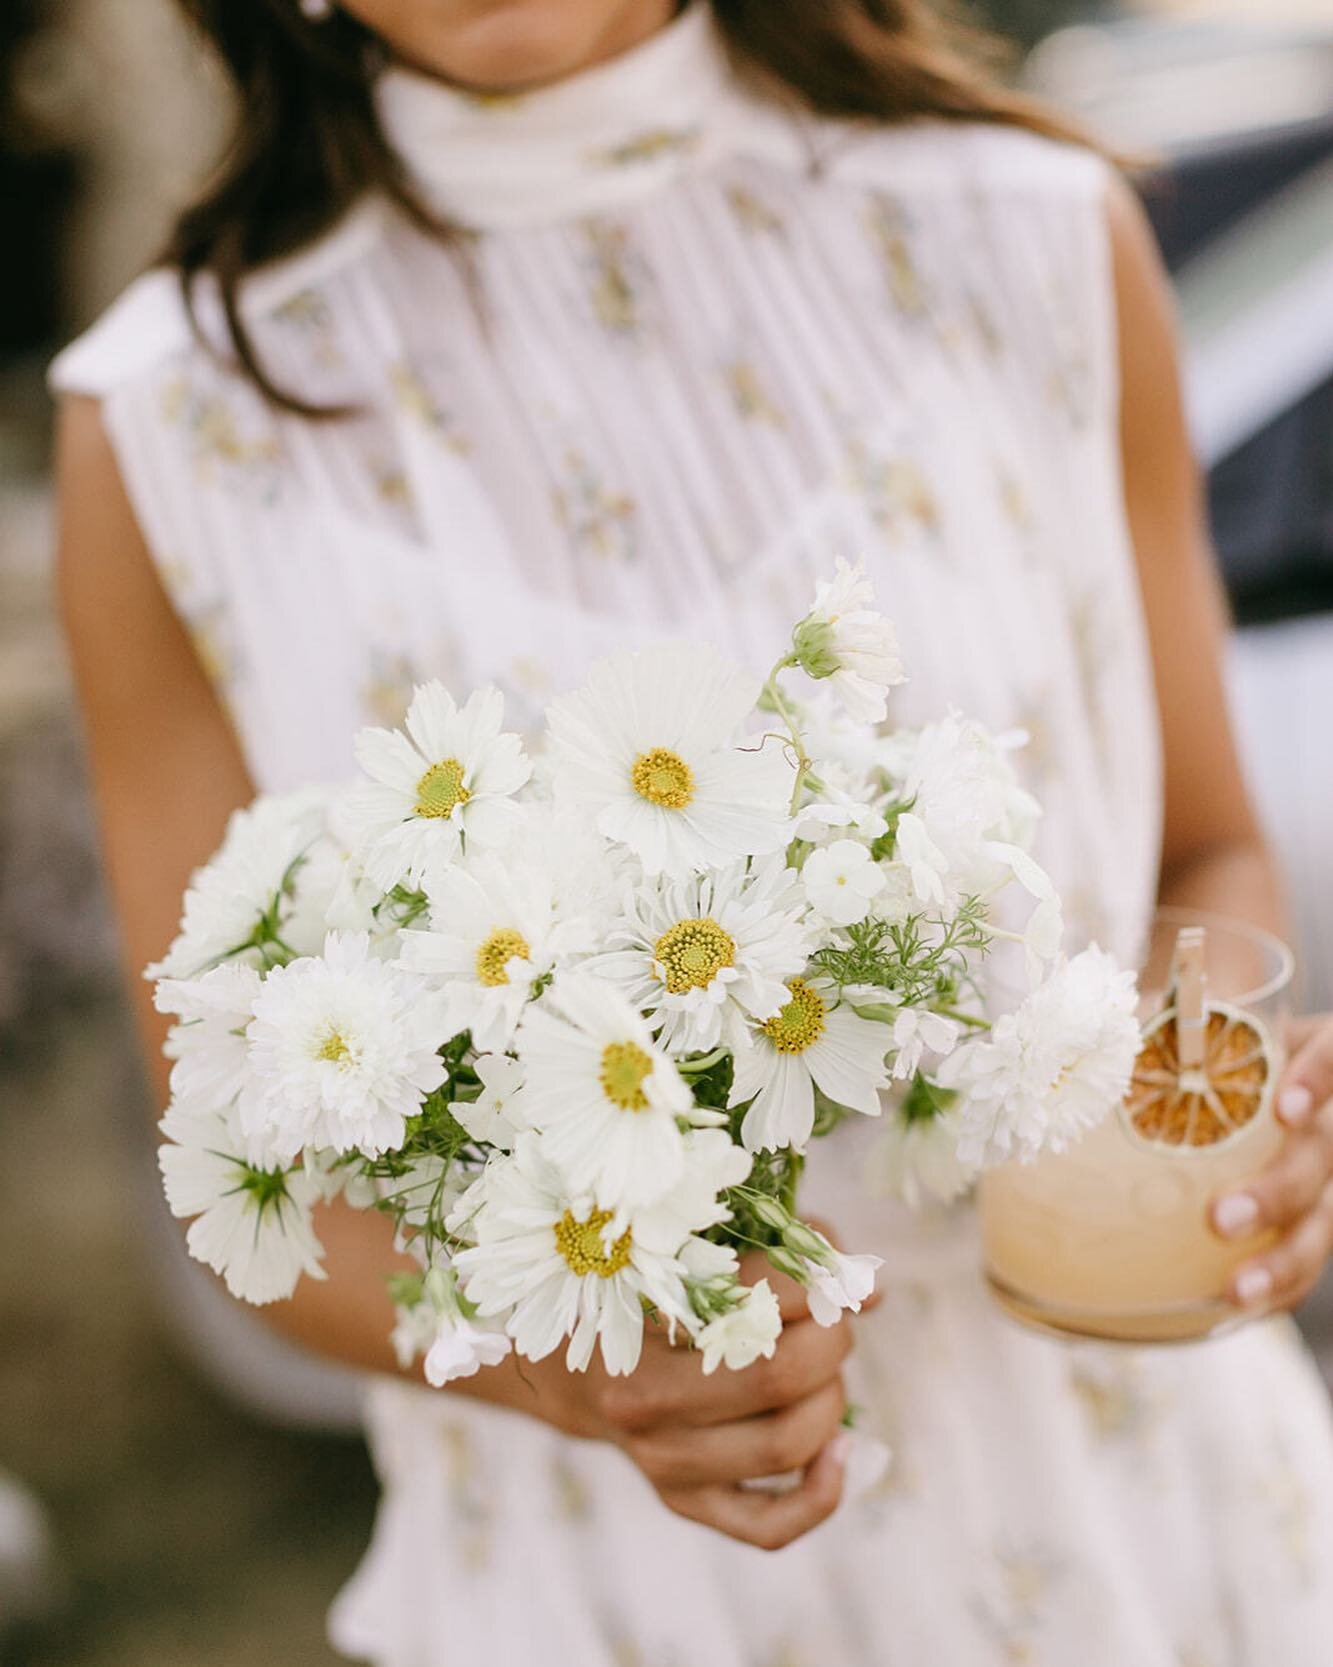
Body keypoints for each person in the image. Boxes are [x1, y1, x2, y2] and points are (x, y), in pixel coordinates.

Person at [51, 1, 1333, 1661]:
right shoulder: (169, 431)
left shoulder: (1036, 241)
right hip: (621, 1590)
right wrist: (554, 1362)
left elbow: (1201, 851)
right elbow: (239, 1175)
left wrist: (1214, 1099)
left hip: (1140, 1503)